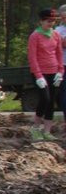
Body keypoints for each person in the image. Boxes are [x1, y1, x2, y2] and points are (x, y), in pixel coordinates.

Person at [28, 8, 63, 140]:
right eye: (48, 21)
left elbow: (59, 54)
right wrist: (38, 76)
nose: (51, 23)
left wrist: (60, 71)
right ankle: (35, 127)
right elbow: (32, 57)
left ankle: (47, 131)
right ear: (41, 21)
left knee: (51, 102)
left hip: (53, 72)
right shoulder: (35, 36)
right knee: (45, 98)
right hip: (40, 73)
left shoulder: (56, 35)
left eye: (53, 21)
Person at [56, 4, 66, 123]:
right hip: (63, 65)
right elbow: (63, 44)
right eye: (63, 17)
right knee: (64, 93)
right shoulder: (58, 31)